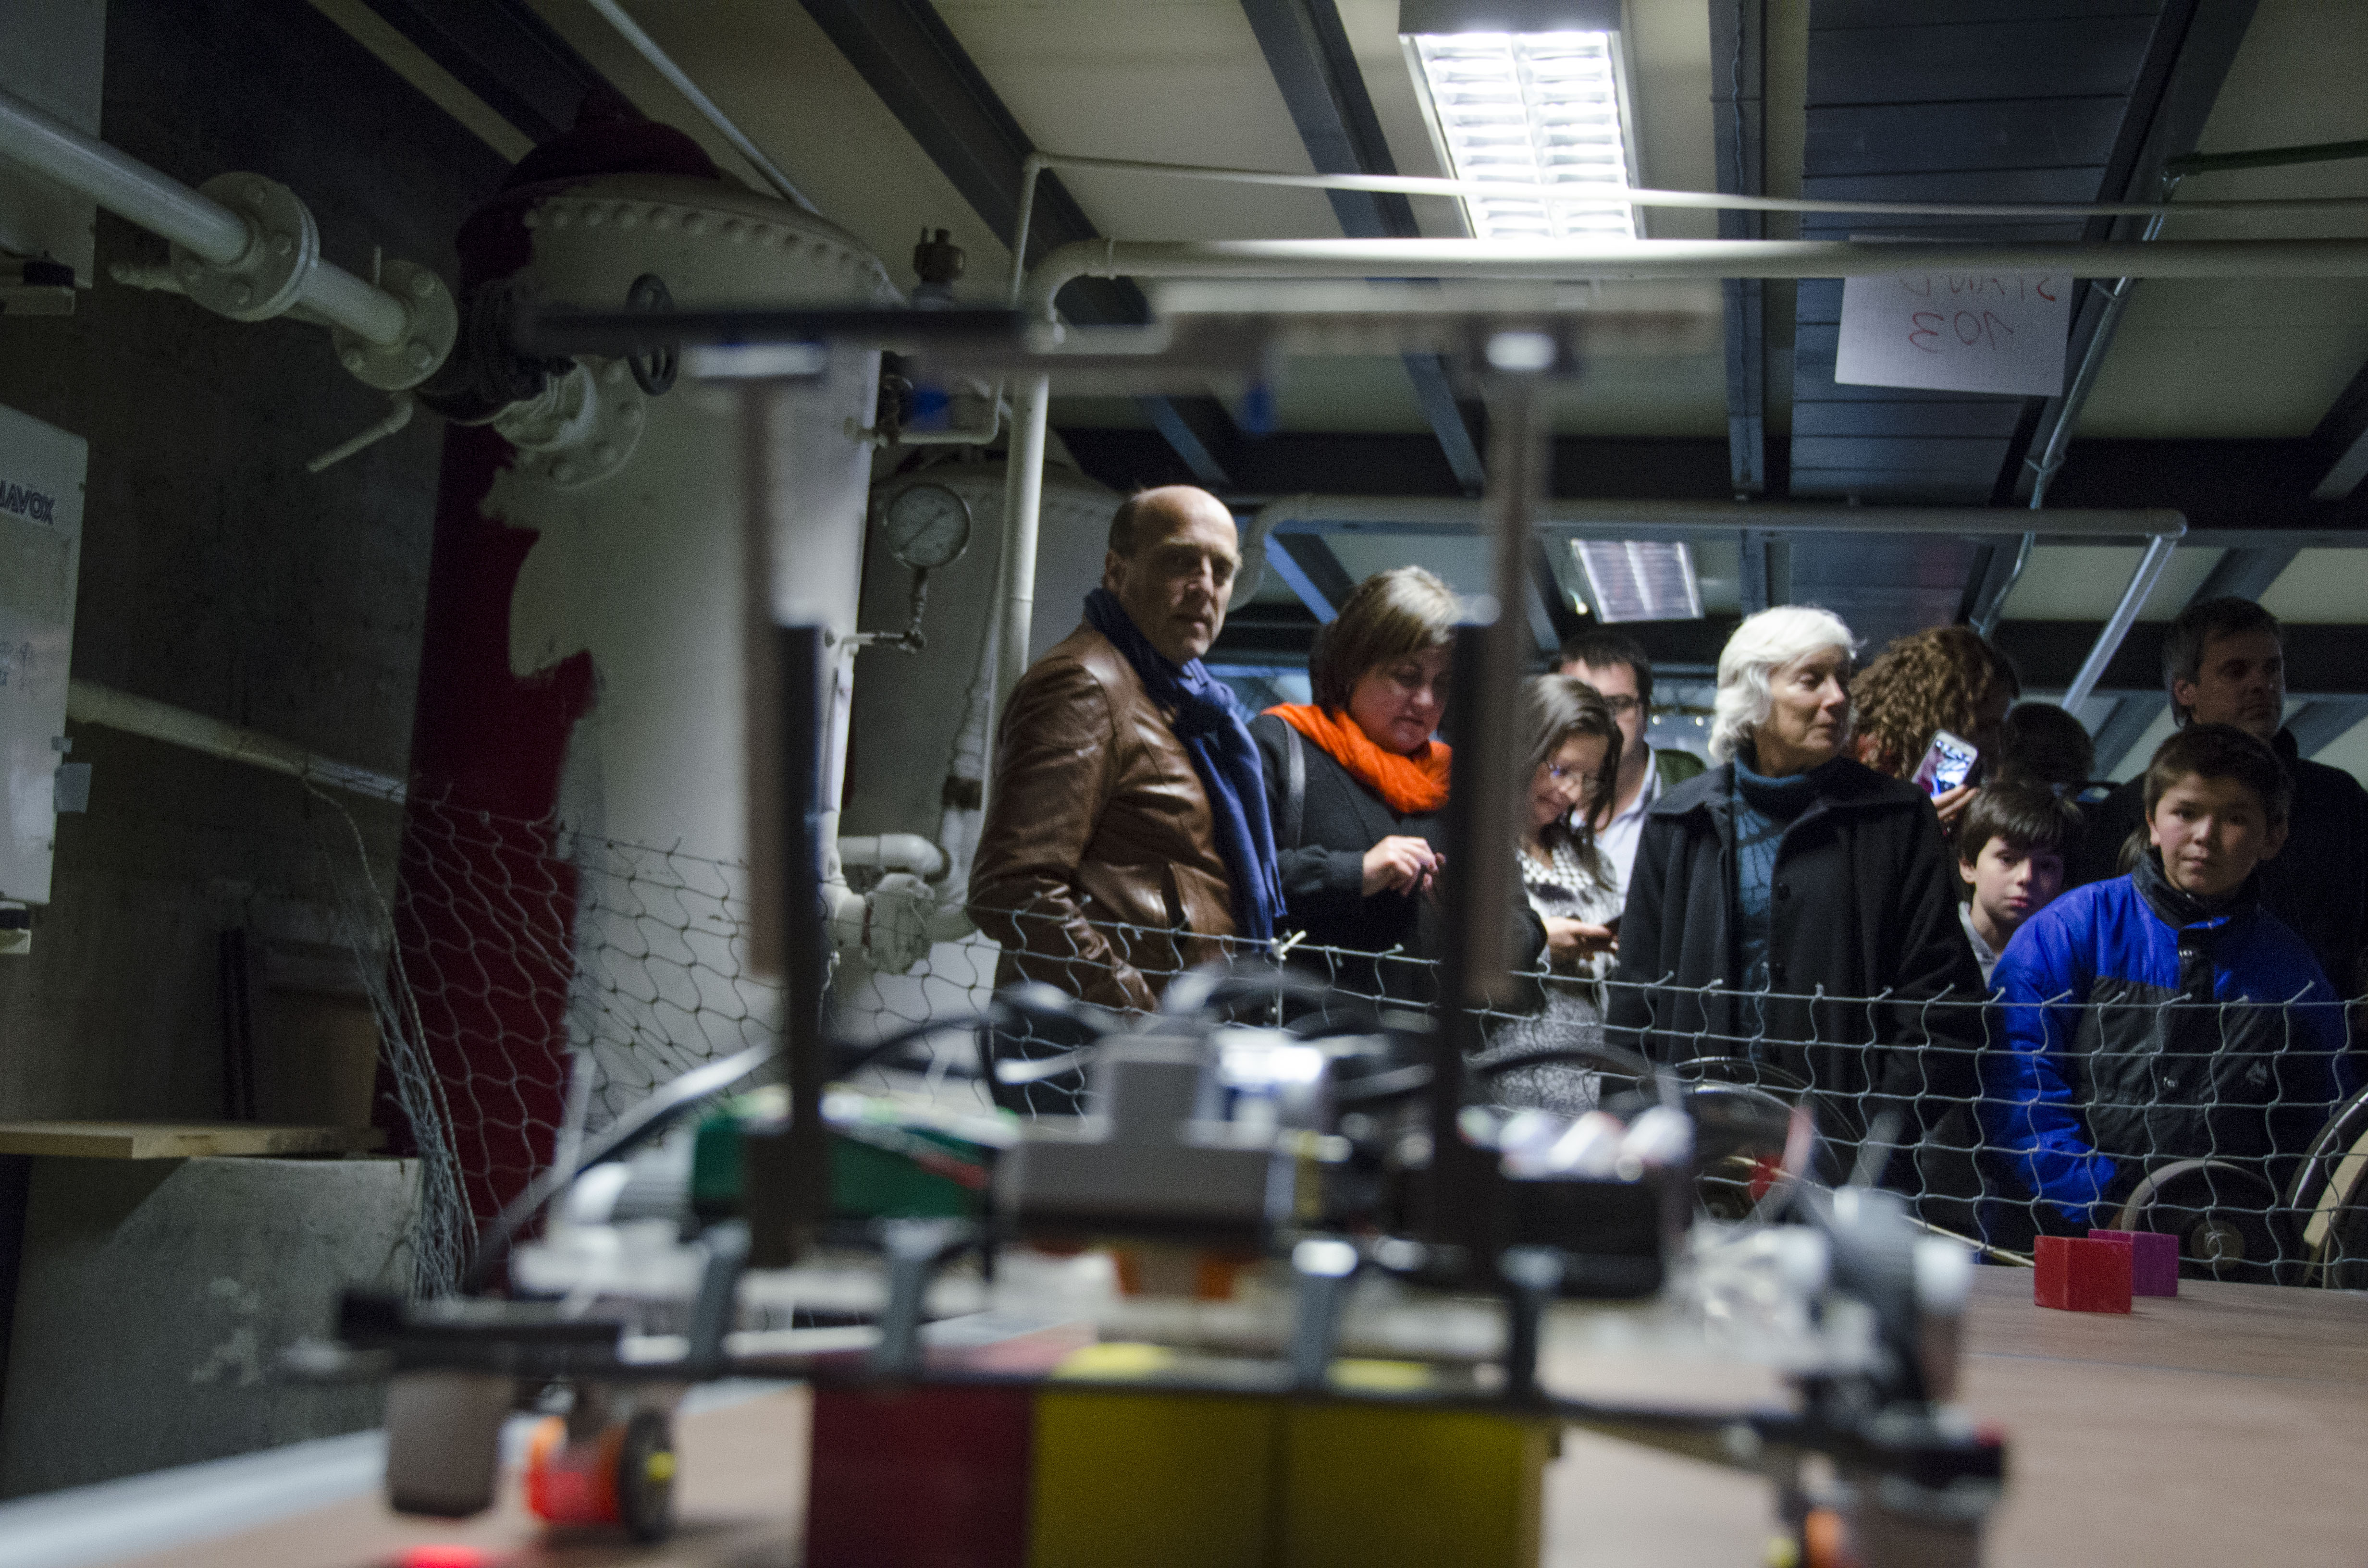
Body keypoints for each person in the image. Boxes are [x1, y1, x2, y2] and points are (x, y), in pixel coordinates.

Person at [1607, 606, 1987, 1190]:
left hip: (1847, 1161)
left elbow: (1940, 999)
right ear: (1753, 697)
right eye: (1811, 680)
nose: (1838, 698)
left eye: (1842, 679)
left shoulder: (1895, 818)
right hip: (1694, 1154)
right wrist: (1632, 1137)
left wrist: (1874, 1140)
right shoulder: (1678, 821)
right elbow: (1637, 1004)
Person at [1984, 725, 2353, 1242]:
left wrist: (2260, 1228)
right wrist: (2105, 1202)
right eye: (2186, 812)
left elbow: (2318, 1133)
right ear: (2151, 821)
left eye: (2234, 818)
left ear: (2273, 836)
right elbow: (2017, 1087)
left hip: (2219, 1250)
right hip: (2052, 1240)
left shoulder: (2294, 977)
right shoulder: (2068, 931)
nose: (2204, 835)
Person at [968, 486, 1283, 1015]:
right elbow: (1014, 887)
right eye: (1180, 562)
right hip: (1100, 1044)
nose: (1205, 588)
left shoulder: (1185, 703)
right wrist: (1138, 1018)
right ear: (1116, 572)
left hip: (1171, 1032)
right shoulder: (1085, 684)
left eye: (1222, 570)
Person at [2068, 596, 2368, 1001]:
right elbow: (2102, 939)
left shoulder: (2338, 799)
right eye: (2236, 670)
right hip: (2167, 1023)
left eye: (2272, 668)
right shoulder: (2129, 810)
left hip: (2318, 1026)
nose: (2261, 684)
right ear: (2186, 690)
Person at [1251, 568, 1458, 1001]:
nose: (1426, 701)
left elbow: (1523, 927)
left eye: (1442, 684)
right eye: (1407, 676)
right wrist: (1355, 872)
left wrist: (1471, 913)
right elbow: (1233, 880)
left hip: (1424, 1036)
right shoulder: (1281, 745)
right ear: (1353, 668)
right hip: (1303, 1028)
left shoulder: (1458, 786)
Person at [1466, 676, 1626, 1113]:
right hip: (1496, 1095)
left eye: (1588, 779)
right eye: (1560, 770)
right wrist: (1540, 942)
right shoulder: (1475, 846)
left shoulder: (1594, 860)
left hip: (1587, 1098)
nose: (1572, 793)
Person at [1555, 629, 1705, 896]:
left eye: (1615, 705)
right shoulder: (1521, 803)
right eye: (1580, 705)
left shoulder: (1701, 804)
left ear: (1645, 714)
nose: (1598, 721)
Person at [1848, 625, 2021, 829]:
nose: (1993, 745)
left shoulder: (1946, 780)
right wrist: (1909, 828)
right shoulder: (1855, 757)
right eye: (1982, 727)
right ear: (1944, 712)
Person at [1954, 785, 2080, 986]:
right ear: (1968, 866)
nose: (2026, 877)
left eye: (2046, 866)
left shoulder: (2073, 962)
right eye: (2007, 859)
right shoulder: (1932, 944)